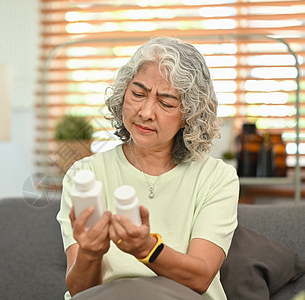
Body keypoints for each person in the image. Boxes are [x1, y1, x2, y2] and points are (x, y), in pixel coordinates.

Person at [56, 36, 239, 300]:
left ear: (190, 114)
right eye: (138, 94)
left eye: (165, 102)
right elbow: (80, 291)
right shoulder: (85, 175)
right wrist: (90, 253)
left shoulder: (216, 177)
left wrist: (147, 249)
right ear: (123, 94)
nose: (145, 112)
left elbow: (200, 277)